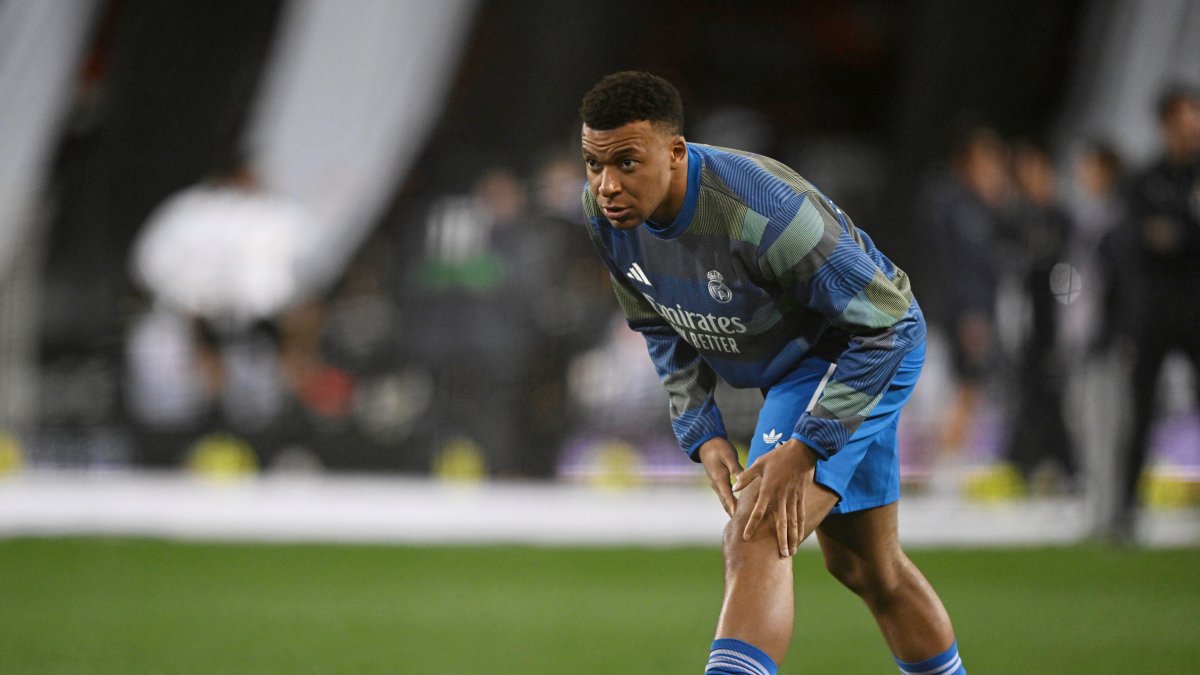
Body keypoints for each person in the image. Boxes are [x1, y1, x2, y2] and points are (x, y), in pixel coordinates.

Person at [577, 71, 963, 675]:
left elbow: (890, 325)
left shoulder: (762, 210)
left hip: (855, 351)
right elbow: (655, 322)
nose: (607, 185)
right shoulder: (604, 214)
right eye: (594, 164)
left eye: (627, 162)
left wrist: (808, 446)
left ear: (676, 153)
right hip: (797, 370)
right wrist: (701, 431)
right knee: (866, 568)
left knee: (756, 533)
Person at [1113, 83, 1200, 543]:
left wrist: (1174, 234)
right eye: (1186, 119)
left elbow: (1168, 237)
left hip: (1196, 311)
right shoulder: (1145, 178)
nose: (1193, 128)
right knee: (1140, 409)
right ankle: (1126, 510)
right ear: (1167, 124)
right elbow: (1139, 241)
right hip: (1154, 314)